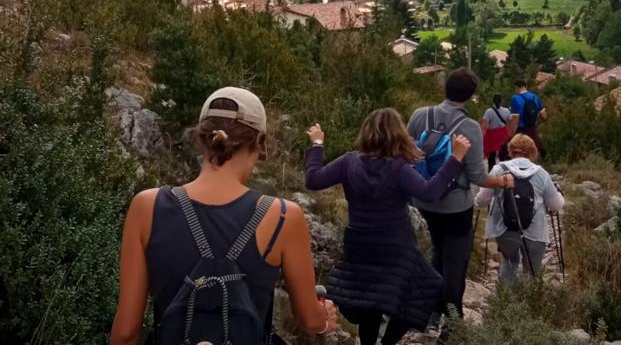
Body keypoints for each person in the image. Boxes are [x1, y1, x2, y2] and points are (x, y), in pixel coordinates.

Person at [111, 87, 337, 345]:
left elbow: (126, 333)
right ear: (261, 144)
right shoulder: (284, 216)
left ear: (201, 138)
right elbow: (308, 319)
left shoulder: (146, 207)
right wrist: (323, 320)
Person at [304, 108, 471, 345]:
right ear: (398, 135)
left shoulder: (348, 162)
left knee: (369, 299)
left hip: (359, 243)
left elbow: (313, 180)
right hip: (396, 245)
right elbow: (430, 192)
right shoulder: (399, 169)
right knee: (425, 289)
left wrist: (318, 144)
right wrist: (455, 158)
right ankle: (389, 342)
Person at [407, 68, 514, 320]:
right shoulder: (469, 127)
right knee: (455, 263)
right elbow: (478, 176)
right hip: (455, 207)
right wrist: (501, 181)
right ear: (470, 96)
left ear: (446, 88)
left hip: (422, 199)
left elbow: (407, 153)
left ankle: (431, 311)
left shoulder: (419, 115)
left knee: (436, 251)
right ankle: (452, 321)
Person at [475, 134, 564, 283]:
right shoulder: (541, 173)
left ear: (511, 150)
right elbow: (556, 205)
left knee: (510, 262)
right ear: (532, 152)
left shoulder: (498, 170)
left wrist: (476, 201)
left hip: (505, 229)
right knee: (532, 272)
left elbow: (482, 200)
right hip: (535, 231)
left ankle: (505, 301)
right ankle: (529, 302)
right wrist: (561, 196)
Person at [510, 79, 547, 158]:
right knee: (534, 151)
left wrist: (511, 135)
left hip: (521, 131)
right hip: (533, 129)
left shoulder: (515, 98)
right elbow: (544, 115)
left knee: (521, 154)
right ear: (525, 86)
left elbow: (515, 119)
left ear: (516, 87)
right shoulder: (535, 97)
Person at [481, 94, 514, 171]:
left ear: (493, 101)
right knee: (504, 154)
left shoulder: (488, 111)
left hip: (492, 136)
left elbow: (485, 125)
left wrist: (482, 134)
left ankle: (491, 170)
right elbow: (511, 122)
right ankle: (504, 170)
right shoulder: (507, 111)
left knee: (492, 155)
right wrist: (510, 133)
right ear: (501, 101)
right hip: (503, 135)